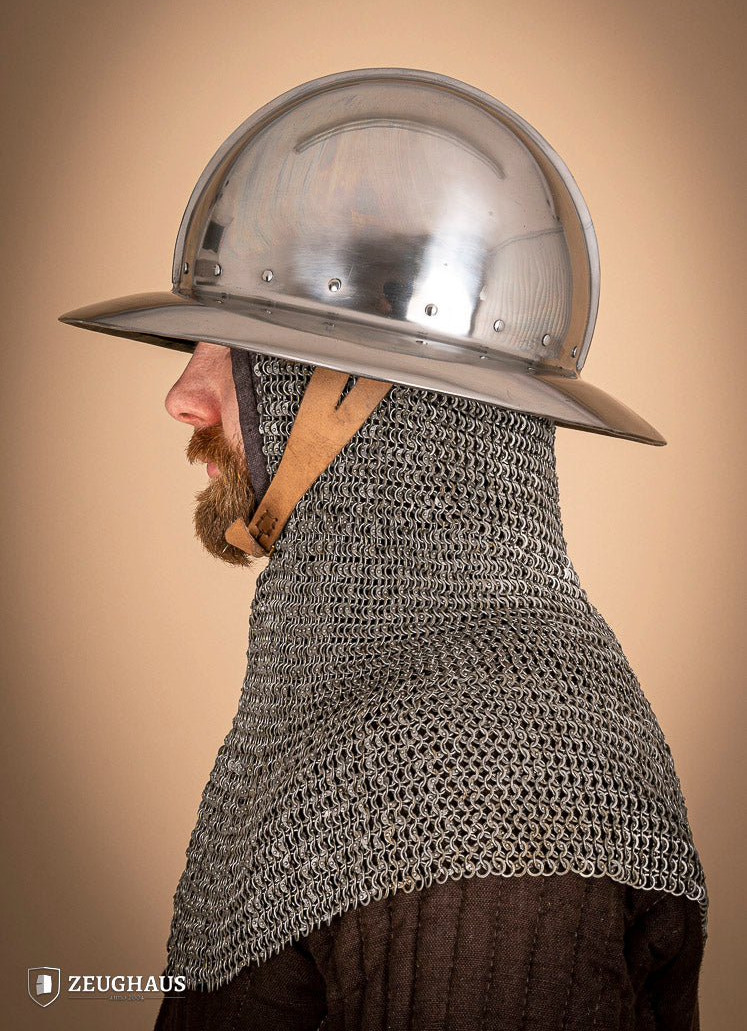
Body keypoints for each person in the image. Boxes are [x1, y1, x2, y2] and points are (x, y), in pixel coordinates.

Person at [61, 69, 706, 1029]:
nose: (184, 396)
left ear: (362, 404)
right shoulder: (373, 704)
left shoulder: (494, 761)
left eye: (237, 353)